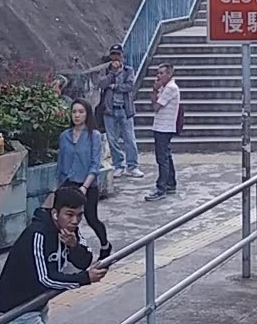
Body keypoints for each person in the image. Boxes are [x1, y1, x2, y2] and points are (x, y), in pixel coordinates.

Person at [0, 185, 108, 323]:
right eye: (69, 214)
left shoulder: (71, 230)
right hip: (16, 307)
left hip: (38, 303)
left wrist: (74, 246)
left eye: (79, 215)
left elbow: (84, 261)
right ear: (55, 213)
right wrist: (85, 278)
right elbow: (45, 278)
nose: (75, 221)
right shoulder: (38, 234)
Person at [55, 99, 111, 260]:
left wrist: (85, 187)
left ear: (87, 114)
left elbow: (95, 163)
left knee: (91, 218)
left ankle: (105, 245)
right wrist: (58, 186)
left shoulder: (93, 135)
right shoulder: (64, 136)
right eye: (74, 112)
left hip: (87, 184)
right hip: (68, 183)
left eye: (81, 112)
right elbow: (61, 162)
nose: (77, 115)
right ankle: (71, 249)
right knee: (67, 219)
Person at [99, 44, 142, 178]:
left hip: (125, 109)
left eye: (118, 54)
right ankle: (119, 165)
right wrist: (112, 74)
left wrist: (115, 86)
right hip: (110, 110)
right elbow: (101, 84)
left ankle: (133, 166)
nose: (116, 57)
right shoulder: (106, 71)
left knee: (129, 139)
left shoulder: (129, 70)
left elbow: (129, 86)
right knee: (112, 140)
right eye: (113, 54)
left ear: (122, 55)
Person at [145, 63, 181, 201]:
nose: (158, 76)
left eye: (161, 73)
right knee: (166, 155)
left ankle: (162, 188)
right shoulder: (165, 88)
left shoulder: (170, 88)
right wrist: (155, 91)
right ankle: (171, 183)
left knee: (162, 158)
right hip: (162, 126)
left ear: (169, 74)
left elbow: (156, 106)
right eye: (157, 73)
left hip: (164, 127)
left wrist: (155, 91)